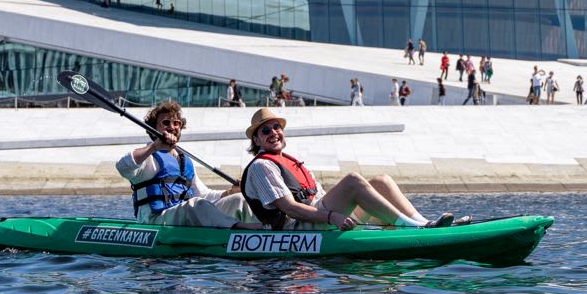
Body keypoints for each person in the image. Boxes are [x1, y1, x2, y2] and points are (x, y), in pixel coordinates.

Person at [241, 108, 462, 230]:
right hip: (298, 230)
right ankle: (415, 229)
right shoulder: (262, 166)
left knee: (381, 181)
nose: (273, 132)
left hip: (316, 218)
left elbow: (319, 197)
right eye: (265, 131)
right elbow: (291, 209)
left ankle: (423, 223)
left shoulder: (289, 161)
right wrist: (331, 217)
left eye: (276, 127)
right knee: (353, 180)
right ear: (257, 141)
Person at [117, 101, 254, 228]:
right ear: (154, 128)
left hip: (185, 215)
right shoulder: (147, 157)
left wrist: (230, 192)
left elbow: (203, 195)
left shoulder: (185, 161)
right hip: (155, 220)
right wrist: (155, 146)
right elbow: (123, 167)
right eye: (166, 122)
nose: (172, 127)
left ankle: (260, 232)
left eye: (176, 123)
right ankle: (239, 228)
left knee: (239, 200)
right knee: (194, 205)